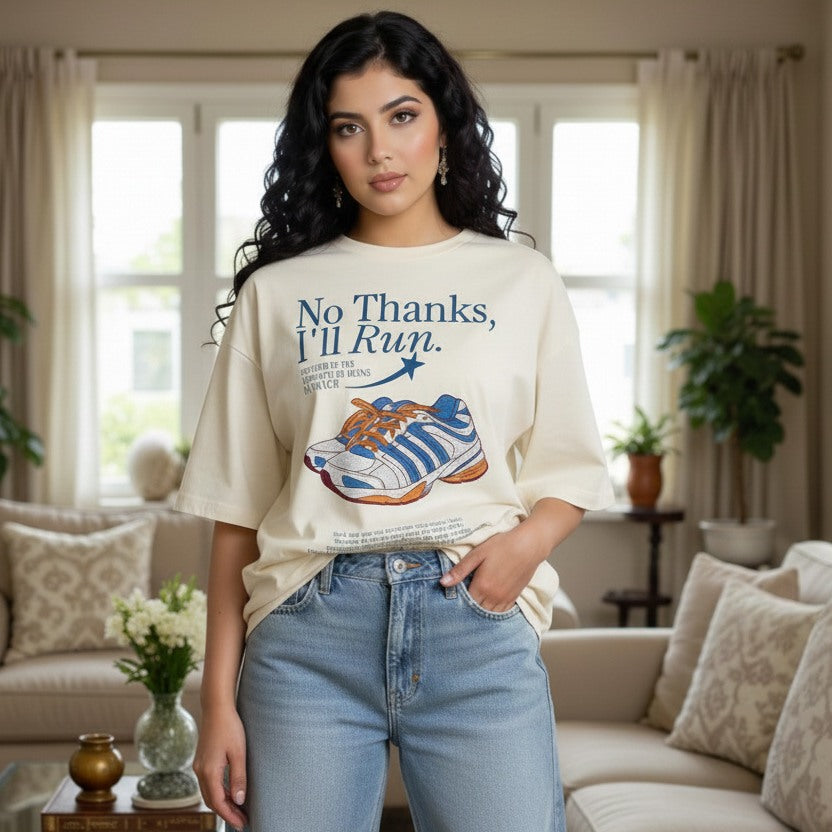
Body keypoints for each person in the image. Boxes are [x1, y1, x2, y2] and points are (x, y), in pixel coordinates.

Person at [175, 10, 613, 832]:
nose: (379, 150)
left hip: (474, 627)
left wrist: (524, 548)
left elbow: (569, 469)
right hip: (308, 631)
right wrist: (217, 698)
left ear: (444, 124)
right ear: (325, 146)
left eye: (402, 116)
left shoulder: (522, 281)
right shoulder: (279, 293)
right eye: (350, 127)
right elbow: (237, 516)